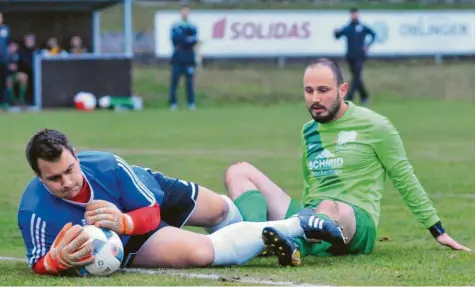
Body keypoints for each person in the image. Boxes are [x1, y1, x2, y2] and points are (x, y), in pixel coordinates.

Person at [224, 58, 471, 267]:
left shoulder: (376, 126)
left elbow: (404, 177)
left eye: (323, 90)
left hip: (356, 223)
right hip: (312, 212)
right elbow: (310, 183)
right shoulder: (308, 130)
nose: (315, 98)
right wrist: (306, 211)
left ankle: (294, 248)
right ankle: (256, 238)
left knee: (330, 206)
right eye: (309, 91)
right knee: (239, 171)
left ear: (342, 90)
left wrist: (437, 230)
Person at [18, 128, 320, 275]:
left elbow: (150, 211)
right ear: (39, 176)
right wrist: (57, 261)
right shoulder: (34, 211)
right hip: (131, 241)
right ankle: (297, 224)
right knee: (202, 252)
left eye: (70, 169)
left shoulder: (107, 165)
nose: (67, 182)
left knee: (220, 210)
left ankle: (258, 235)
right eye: (54, 178)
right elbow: (38, 262)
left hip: (148, 195)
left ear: (76, 154)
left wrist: (124, 221)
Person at [333, 7, 376, 105]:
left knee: (356, 76)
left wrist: (368, 45)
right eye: (352, 14)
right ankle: (364, 96)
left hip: (360, 56)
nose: (354, 15)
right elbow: (338, 36)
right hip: (350, 56)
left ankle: (349, 97)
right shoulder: (348, 27)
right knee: (356, 77)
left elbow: (373, 34)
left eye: (355, 13)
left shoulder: (362, 27)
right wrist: (336, 32)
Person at [168, 4, 198, 111]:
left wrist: (185, 40)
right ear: (180, 13)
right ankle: (173, 103)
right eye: (183, 11)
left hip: (189, 59)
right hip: (177, 59)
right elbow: (176, 40)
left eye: (187, 11)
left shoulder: (192, 27)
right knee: (174, 82)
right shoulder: (175, 26)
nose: (185, 13)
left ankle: (191, 103)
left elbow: (193, 41)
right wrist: (186, 40)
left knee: (189, 82)